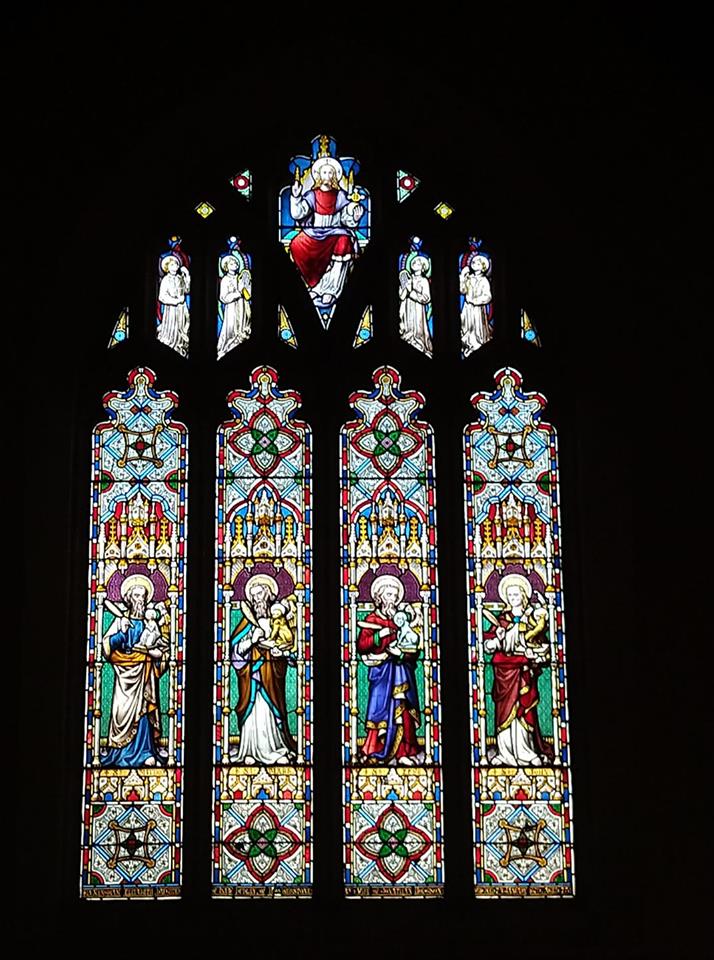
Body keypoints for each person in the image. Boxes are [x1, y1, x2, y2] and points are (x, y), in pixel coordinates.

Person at [483, 573, 553, 766]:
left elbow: (541, 642)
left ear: (523, 596)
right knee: (504, 712)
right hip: (504, 671)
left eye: (516, 595)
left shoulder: (531, 619)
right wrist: (497, 639)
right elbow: (489, 643)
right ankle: (505, 753)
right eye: (510, 595)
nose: (513, 598)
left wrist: (534, 649)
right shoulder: (502, 619)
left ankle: (526, 752)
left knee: (524, 709)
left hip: (523, 671)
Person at [101, 575, 169, 768]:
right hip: (125, 676)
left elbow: (163, 649)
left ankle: (146, 751)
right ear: (128, 598)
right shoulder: (121, 621)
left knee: (144, 712)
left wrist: (156, 651)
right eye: (137, 596)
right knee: (121, 713)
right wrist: (121, 633)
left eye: (143, 596)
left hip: (145, 675)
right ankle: (120, 753)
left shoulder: (149, 624)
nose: (140, 600)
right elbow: (106, 648)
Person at [230, 574, 298, 765]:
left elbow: (290, 648)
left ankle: (275, 747)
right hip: (251, 677)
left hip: (272, 677)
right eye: (253, 596)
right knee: (252, 713)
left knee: (270, 712)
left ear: (268, 595)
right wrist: (251, 641)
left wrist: (281, 652)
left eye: (259, 594)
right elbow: (235, 652)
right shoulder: (247, 623)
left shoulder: (279, 621)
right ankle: (249, 751)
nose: (256, 599)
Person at [356, 575, 422, 765]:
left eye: (394, 595)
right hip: (381, 672)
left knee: (403, 709)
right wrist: (379, 636)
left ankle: (403, 752)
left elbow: (413, 646)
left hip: (401, 671)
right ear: (379, 597)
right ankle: (375, 749)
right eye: (388, 595)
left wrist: (404, 653)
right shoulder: (372, 620)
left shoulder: (400, 621)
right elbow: (362, 645)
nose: (392, 599)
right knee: (379, 710)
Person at [289, 158, 364, 308]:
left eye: (331, 173)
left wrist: (354, 217)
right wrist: (296, 197)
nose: (328, 176)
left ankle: (332, 290)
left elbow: (346, 218)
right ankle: (315, 288)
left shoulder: (340, 195)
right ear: (318, 175)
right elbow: (298, 213)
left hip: (336, 230)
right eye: (324, 172)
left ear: (335, 176)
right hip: (315, 230)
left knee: (344, 242)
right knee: (296, 244)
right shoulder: (311, 195)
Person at [217, 254, 251, 358]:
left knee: (243, 325)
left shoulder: (241, 277)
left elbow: (248, 293)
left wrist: (246, 287)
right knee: (231, 327)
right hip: (231, 308)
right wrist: (238, 293)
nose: (235, 265)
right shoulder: (225, 280)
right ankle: (227, 347)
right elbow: (223, 297)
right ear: (226, 267)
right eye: (232, 263)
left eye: (236, 263)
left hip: (243, 305)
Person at [399, 255, 433, 357]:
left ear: (423, 268)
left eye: (418, 263)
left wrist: (412, 292)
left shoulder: (424, 281)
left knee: (418, 327)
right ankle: (408, 338)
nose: (414, 263)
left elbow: (426, 298)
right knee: (407, 326)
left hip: (418, 309)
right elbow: (401, 296)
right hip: (406, 307)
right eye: (414, 262)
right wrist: (405, 286)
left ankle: (419, 342)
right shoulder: (407, 278)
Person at [157, 254, 191, 356]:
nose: (175, 266)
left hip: (182, 309)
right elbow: (162, 296)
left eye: (176, 264)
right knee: (172, 327)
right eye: (172, 265)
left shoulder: (180, 278)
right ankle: (171, 344)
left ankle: (180, 345)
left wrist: (187, 275)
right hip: (171, 309)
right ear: (167, 267)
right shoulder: (165, 280)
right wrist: (176, 301)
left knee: (182, 325)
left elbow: (187, 290)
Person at [460, 253, 492, 356]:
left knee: (477, 328)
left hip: (477, 309)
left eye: (477, 263)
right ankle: (467, 345)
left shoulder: (484, 281)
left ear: (483, 267)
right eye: (473, 262)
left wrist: (475, 300)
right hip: (467, 308)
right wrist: (462, 277)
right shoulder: (469, 278)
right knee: (466, 327)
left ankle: (476, 346)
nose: (474, 264)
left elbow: (488, 296)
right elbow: (462, 290)